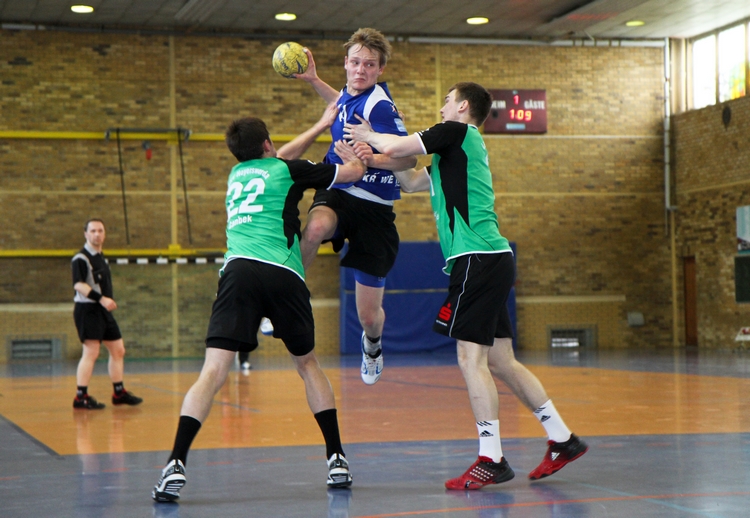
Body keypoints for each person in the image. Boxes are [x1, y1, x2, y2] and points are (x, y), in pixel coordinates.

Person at [344, 82, 588, 490]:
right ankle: (563, 439)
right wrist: (374, 158)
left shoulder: (457, 132)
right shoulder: (451, 156)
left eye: (446, 101)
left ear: (462, 106)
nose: (441, 107)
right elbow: (410, 181)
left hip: (477, 259)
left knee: (469, 358)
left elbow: (402, 146)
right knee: (501, 361)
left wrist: (370, 134)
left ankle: (491, 458)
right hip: (489, 259)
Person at [152, 104, 366, 503]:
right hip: (283, 273)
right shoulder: (289, 170)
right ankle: (336, 458)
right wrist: (356, 154)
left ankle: (175, 462)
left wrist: (318, 124)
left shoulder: (236, 175)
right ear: (268, 143)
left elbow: (277, 158)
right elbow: (350, 173)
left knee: (213, 371)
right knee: (308, 365)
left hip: (239, 273)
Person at [281, 27, 417, 385]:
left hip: (374, 209)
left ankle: (372, 345)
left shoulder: (381, 107)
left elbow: (407, 161)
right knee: (314, 227)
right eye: (355, 63)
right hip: (340, 190)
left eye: (369, 65)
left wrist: (372, 158)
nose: (360, 70)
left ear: (380, 70)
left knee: (369, 317)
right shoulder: (350, 94)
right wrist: (314, 80)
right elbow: (340, 102)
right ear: (345, 63)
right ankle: (284, 293)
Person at [71, 219, 143, 409]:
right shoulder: (81, 258)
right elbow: (79, 285)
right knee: (91, 352)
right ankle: (80, 396)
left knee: (118, 349)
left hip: (103, 311)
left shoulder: (101, 257)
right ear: (86, 234)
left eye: (100, 230)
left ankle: (118, 393)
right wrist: (101, 299)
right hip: (88, 310)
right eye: (93, 231)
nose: (97, 234)